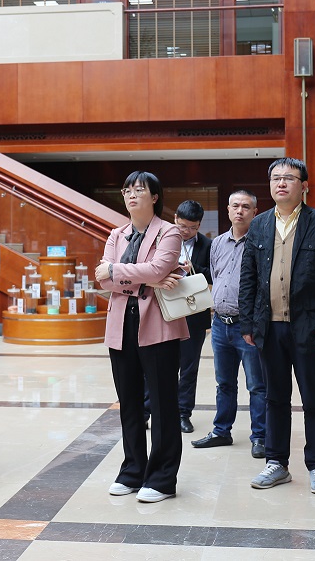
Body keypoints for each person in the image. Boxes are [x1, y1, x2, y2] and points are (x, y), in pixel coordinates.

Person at [239, 157, 315, 494]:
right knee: (274, 397)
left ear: (304, 186)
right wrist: (247, 322)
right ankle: (276, 463)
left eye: (289, 177)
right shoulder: (259, 225)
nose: (281, 183)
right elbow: (248, 276)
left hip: (309, 327)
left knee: (313, 397)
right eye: (276, 178)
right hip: (268, 327)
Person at [95, 171, 189, 503]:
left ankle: (162, 478)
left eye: (139, 190)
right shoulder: (116, 234)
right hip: (121, 325)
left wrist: (119, 271)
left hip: (159, 325)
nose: (132, 195)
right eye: (127, 190)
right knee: (130, 402)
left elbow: (156, 269)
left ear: (155, 197)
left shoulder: (169, 231)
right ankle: (133, 470)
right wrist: (147, 280)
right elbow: (102, 280)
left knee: (163, 404)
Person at [192, 190, 267, 458]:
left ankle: (260, 437)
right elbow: (216, 277)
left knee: (256, 385)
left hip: (247, 327)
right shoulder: (217, 243)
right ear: (228, 209)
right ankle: (221, 431)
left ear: (254, 212)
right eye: (235, 206)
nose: (240, 211)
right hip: (220, 325)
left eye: (246, 207)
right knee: (224, 383)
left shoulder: (261, 243)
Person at [173, 200, 212, 434]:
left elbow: (214, 274)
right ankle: (148, 411)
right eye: (183, 226)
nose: (186, 231)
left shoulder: (207, 245)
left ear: (199, 225)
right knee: (157, 364)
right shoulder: (161, 239)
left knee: (189, 367)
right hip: (164, 312)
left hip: (193, 313)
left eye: (192, 227)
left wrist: (193, 269)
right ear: (175, 218)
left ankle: (183, 413)